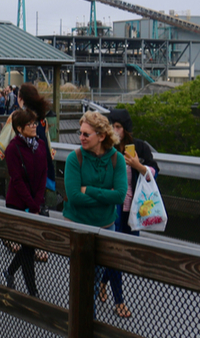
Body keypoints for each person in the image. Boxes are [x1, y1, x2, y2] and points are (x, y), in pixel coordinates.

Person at [97, 108, 159, 318]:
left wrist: (138, 165)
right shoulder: (107, 147)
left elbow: (154, 170)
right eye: (111, 126)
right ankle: (119, 301)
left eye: (118, 127)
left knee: (125, 253)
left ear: (126, 129)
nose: (114, 131)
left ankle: (103, 282)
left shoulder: (139, 147)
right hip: (113, 207)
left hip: (134, 210)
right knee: (116, 254)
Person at [64, 111, 127, 310]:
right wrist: (104, 196)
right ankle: (85, 321)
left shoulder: (117, 159)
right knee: (83, 279)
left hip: (106, 226)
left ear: (101, 136)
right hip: (79, 227)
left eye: (86, 134)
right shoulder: (75, 159)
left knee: (97, 274)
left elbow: (119, 196)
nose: (80, 138)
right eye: (80, 133)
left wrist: (88, 190)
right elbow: (74, 196)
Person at [2, 109, 49, 297]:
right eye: (30, 124)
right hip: (18, 203)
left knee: (28, 245)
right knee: (28, 246)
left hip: (34, 203)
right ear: (19, 128)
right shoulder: (13, 148)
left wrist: (36, 203)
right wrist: (31, 205)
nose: (34, 126)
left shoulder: (41, 145)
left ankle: (10, 271)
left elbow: (44, 173)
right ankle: (33, 293)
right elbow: (17, 180)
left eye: (35, 123)